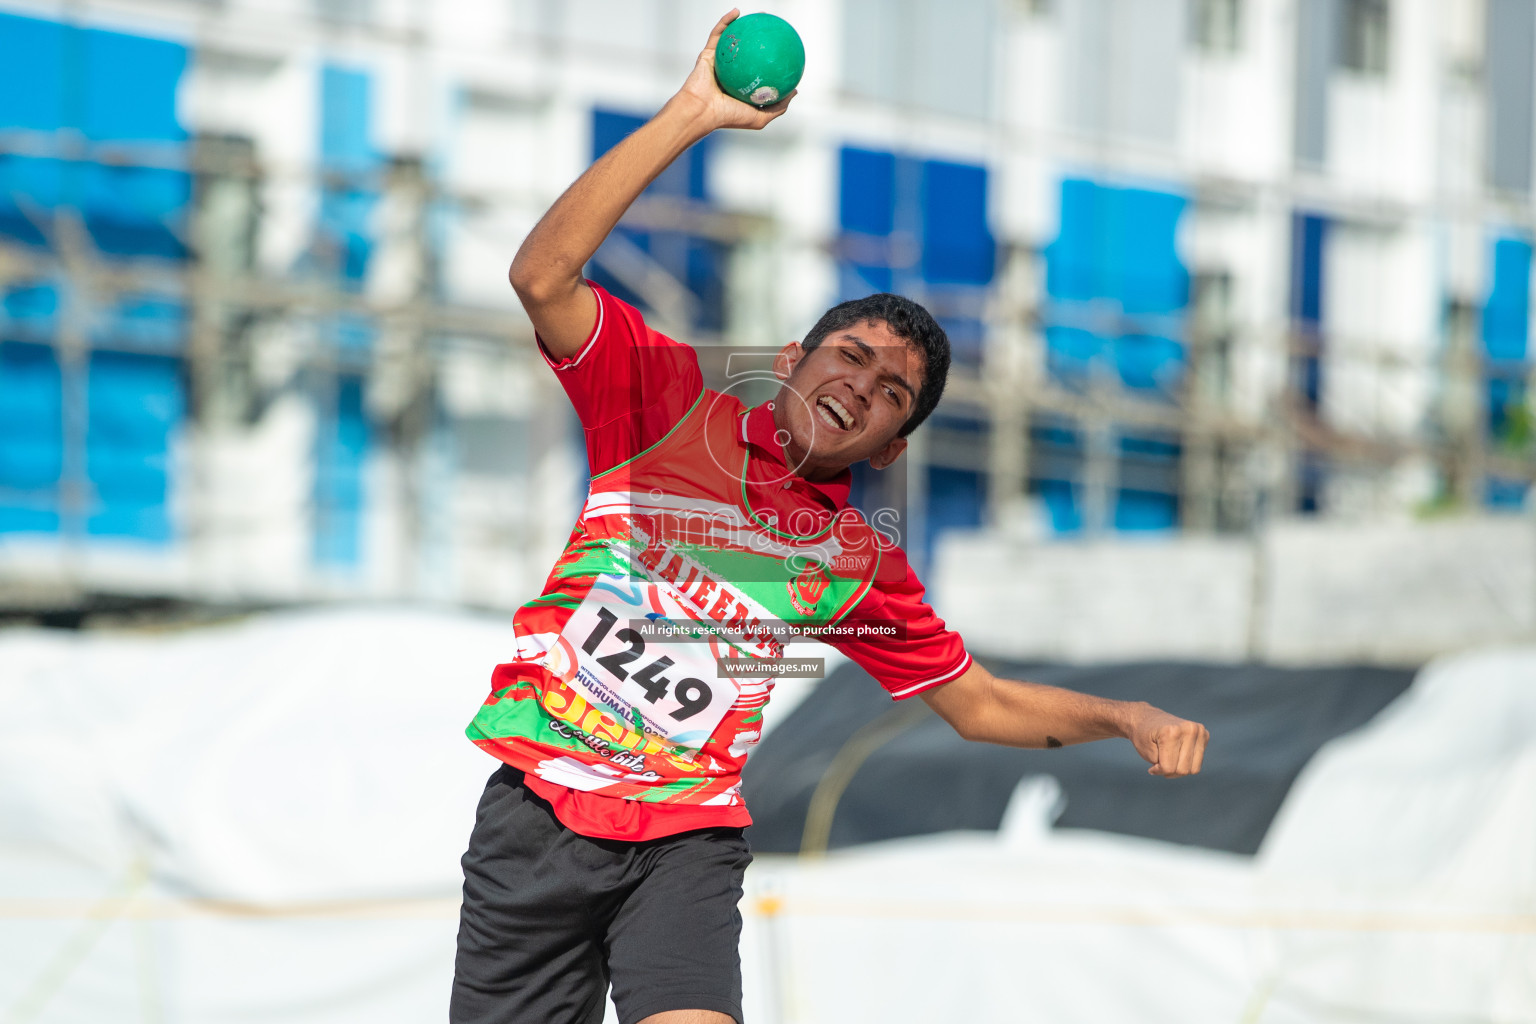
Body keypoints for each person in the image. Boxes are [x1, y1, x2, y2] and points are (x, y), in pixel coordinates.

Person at [450, 11, 1210, 1024]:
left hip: (684, 840)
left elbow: (979, 705)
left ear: (892, 445)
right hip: (535, 818)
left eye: (895, 390)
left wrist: (1124, 717)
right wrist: (692, 112)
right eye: (851, 354)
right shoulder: (662, 402)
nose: (866, 381)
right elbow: (542, 275)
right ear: (795, 360)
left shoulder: (855, 561)